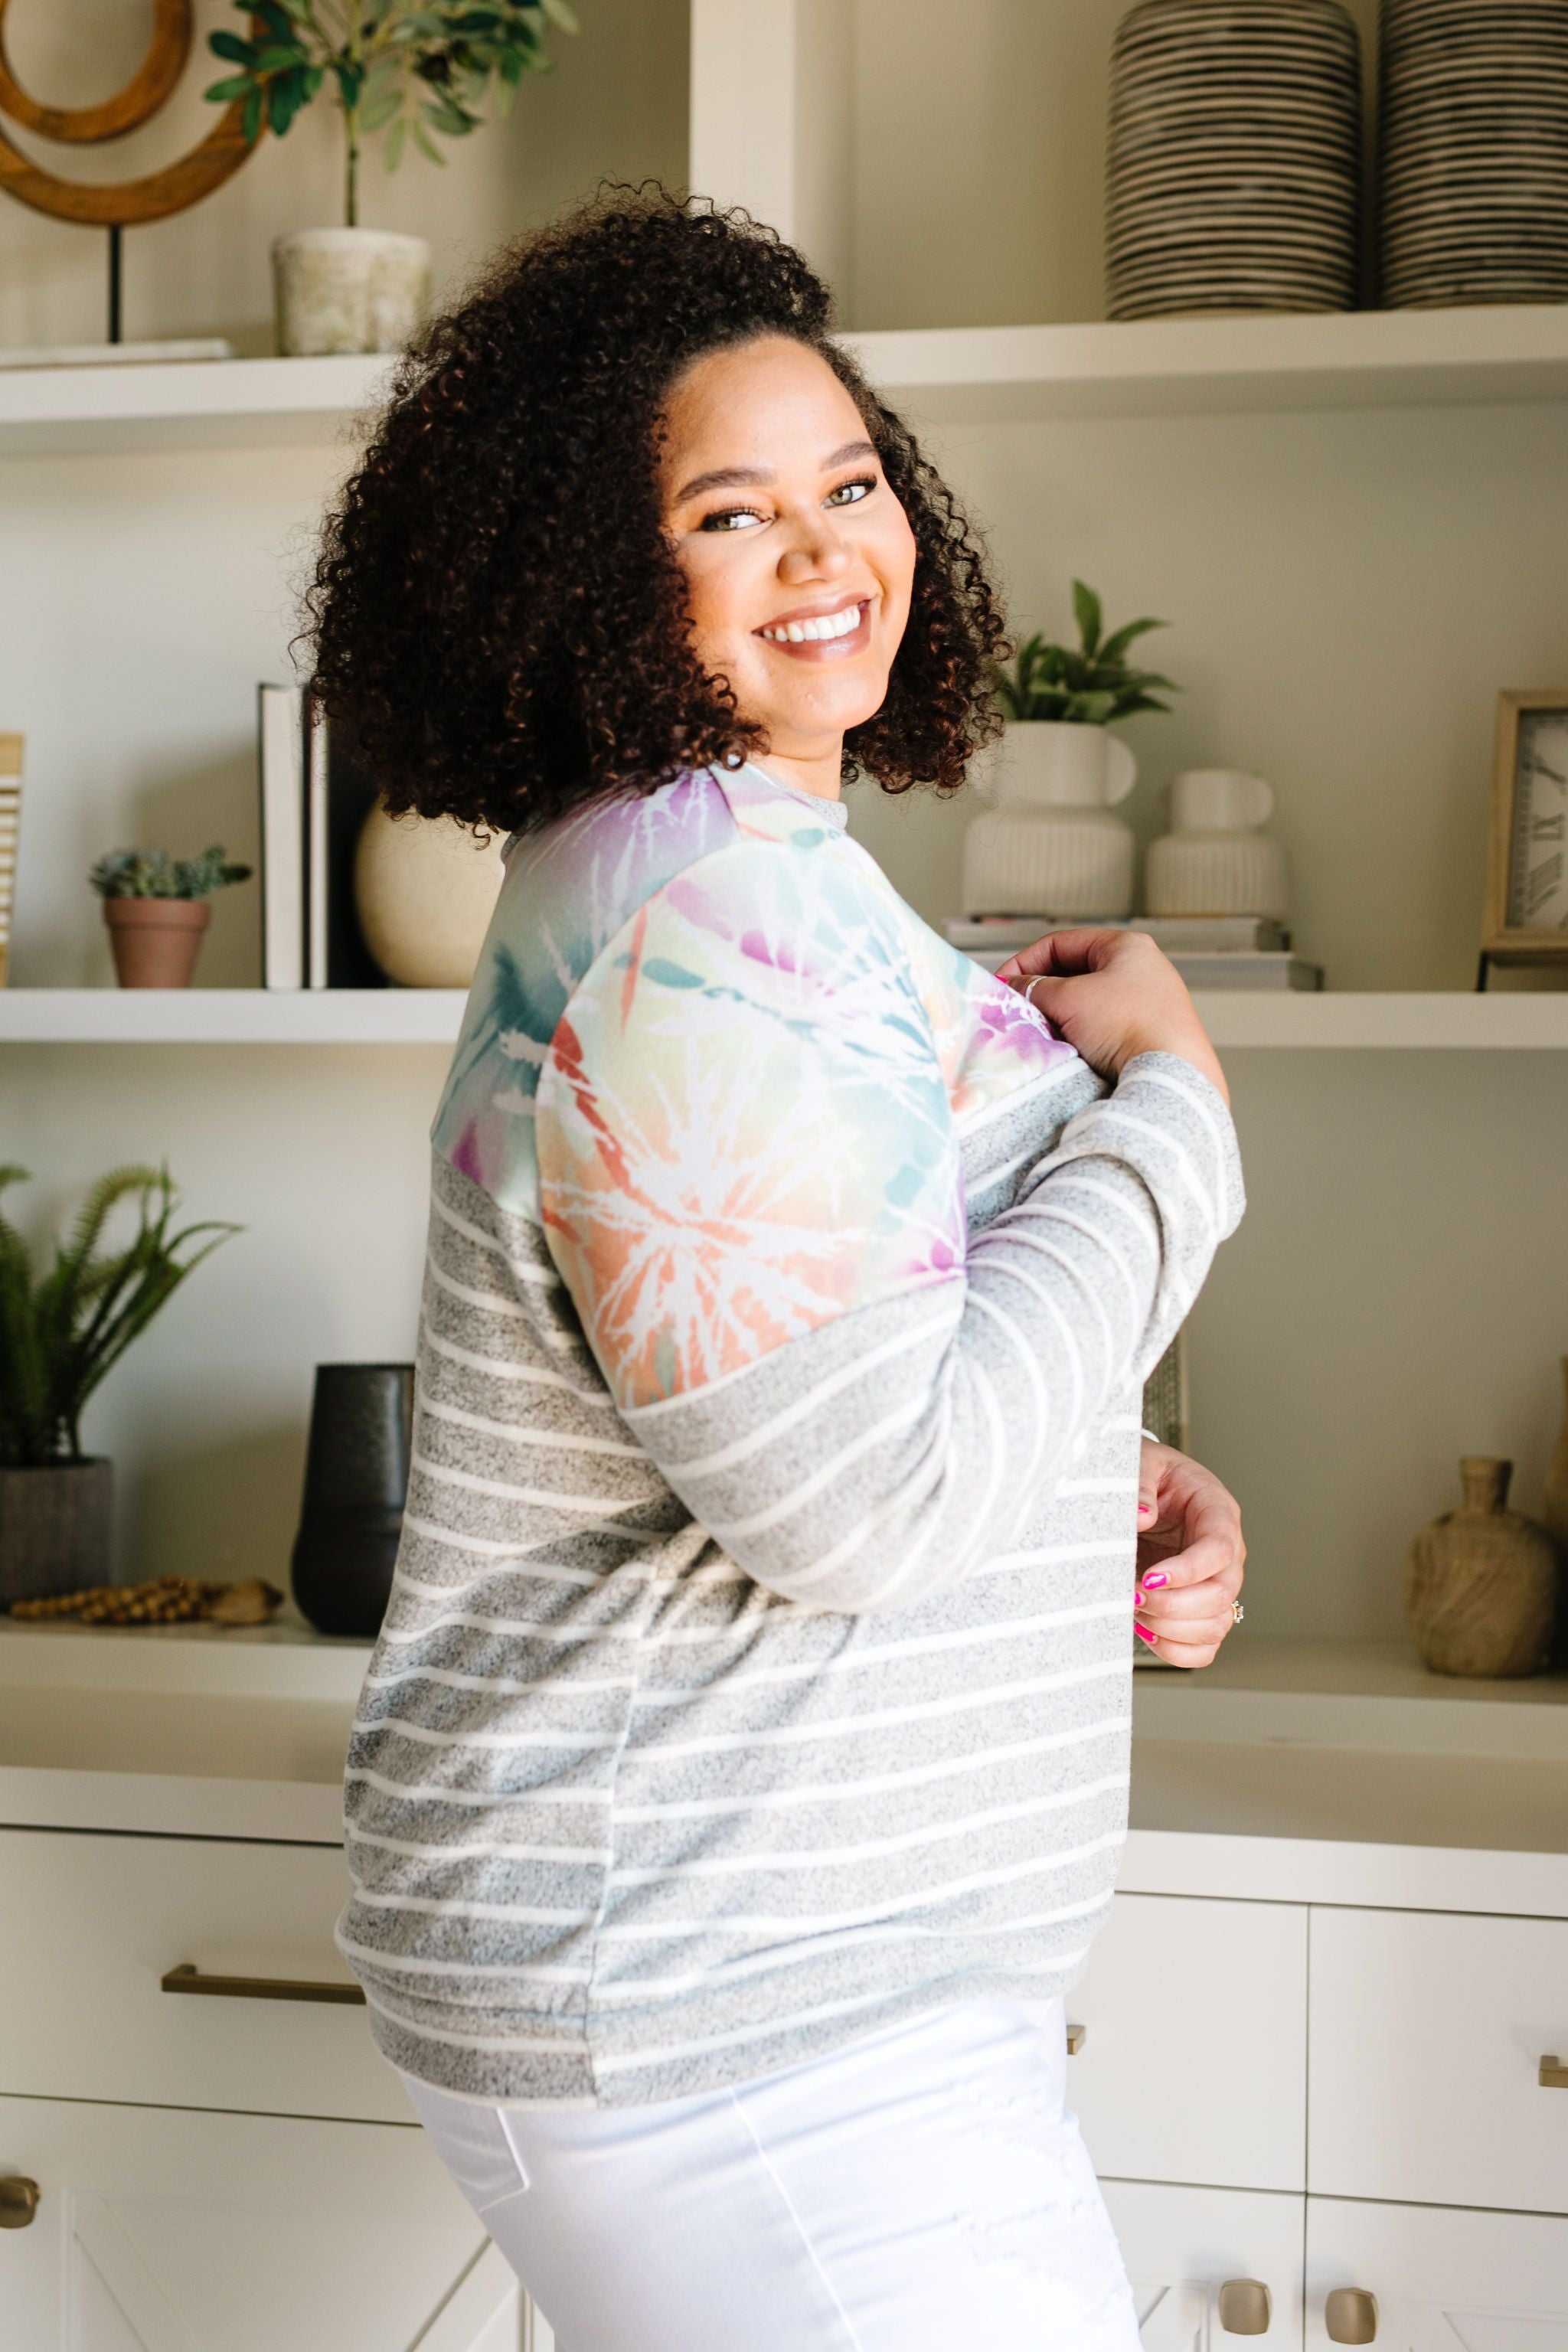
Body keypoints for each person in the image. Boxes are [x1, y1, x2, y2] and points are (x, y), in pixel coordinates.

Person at [307, 183, 1247, 2352]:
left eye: (851, 482)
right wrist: (1181, 1123)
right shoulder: (712, 922)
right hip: (749, 2014)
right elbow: (871, 1512)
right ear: (591, 575)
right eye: (730, 515)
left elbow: (819, 1389)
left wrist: (1088, 1473)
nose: (828, 553)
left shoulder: (712, 865)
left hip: (773, 1984)